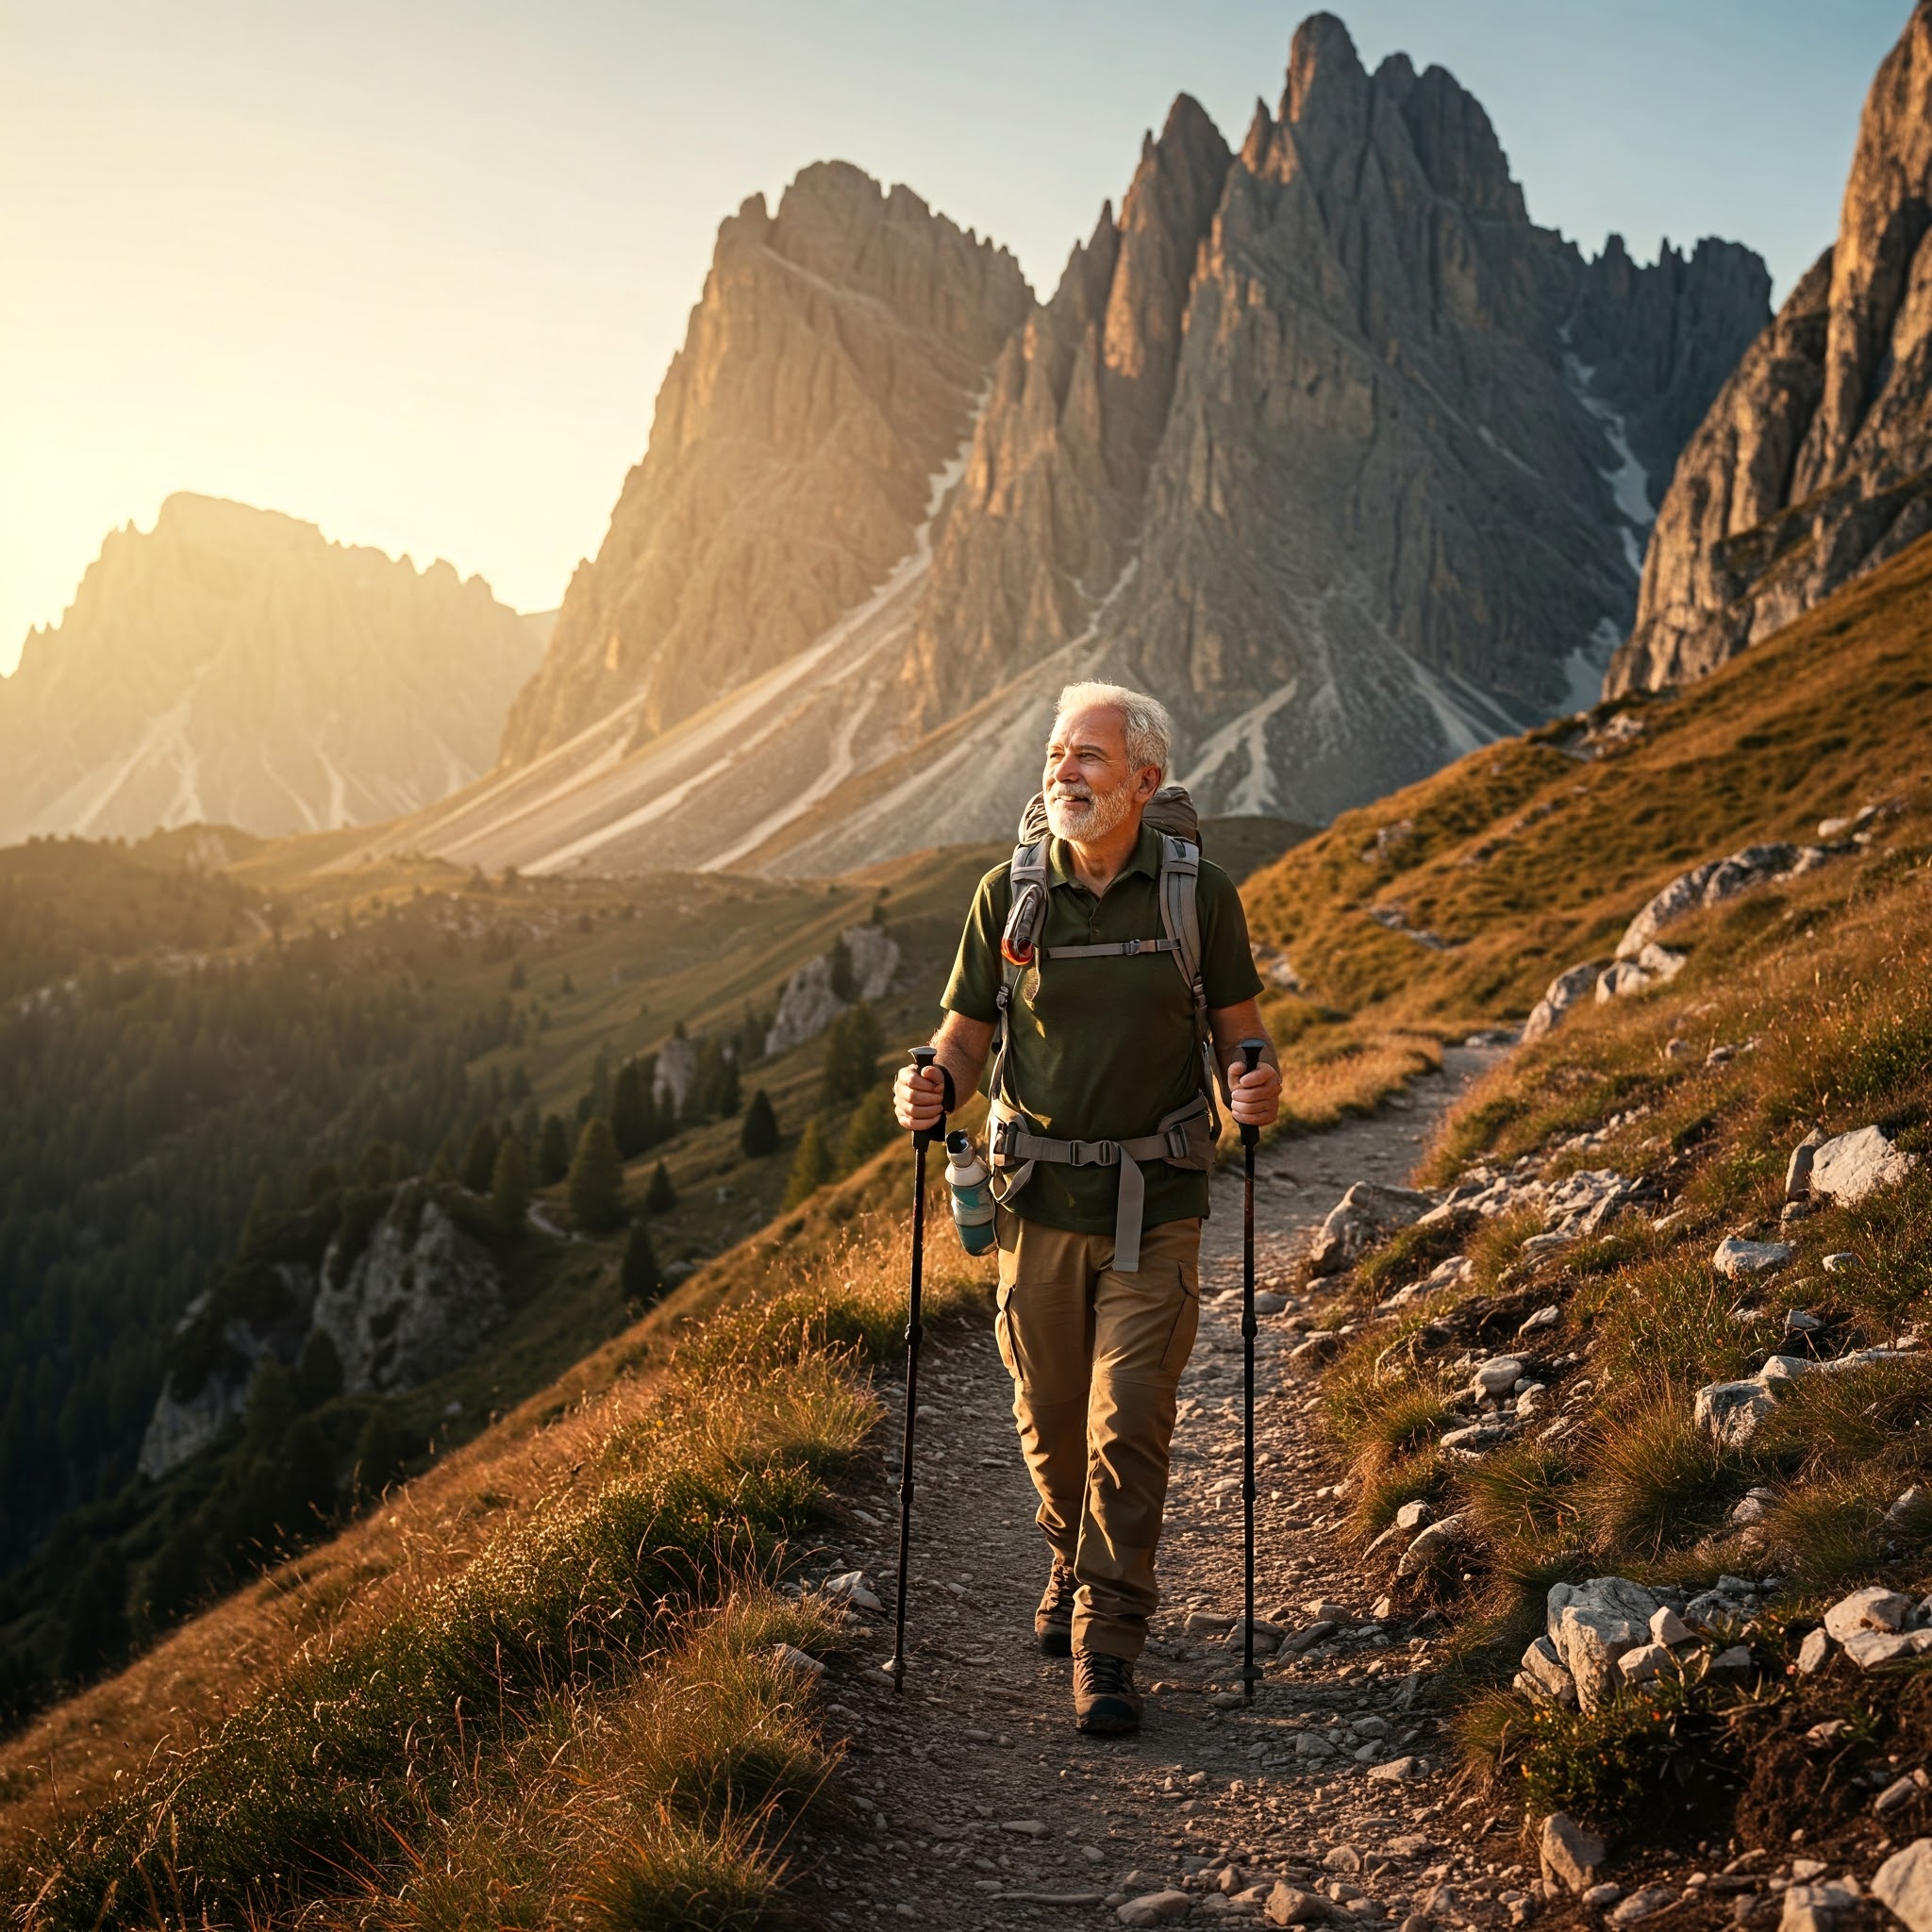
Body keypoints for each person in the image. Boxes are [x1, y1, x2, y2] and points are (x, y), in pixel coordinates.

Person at [893, 681, 1280, 1735]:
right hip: (1033, 1198)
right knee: (1049, 1413)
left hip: (1157, 1198)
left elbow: (1242, 1037)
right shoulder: (1006, 893)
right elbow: (963, 1039)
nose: (1063, 770)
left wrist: (1254, 1082)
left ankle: (1108, 1639)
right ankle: (1068, 1555)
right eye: (1057, 753)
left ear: (1144, 781)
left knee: (1128, 1422)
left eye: (1089, 757)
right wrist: (929, 1083)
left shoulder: (1196, 897)